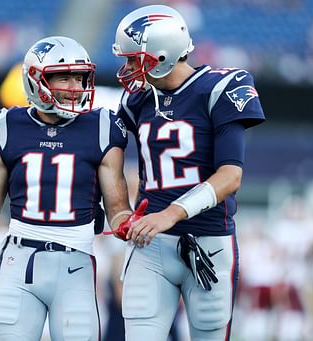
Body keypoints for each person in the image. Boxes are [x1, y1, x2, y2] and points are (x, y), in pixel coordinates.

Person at [0, 36, 133, 341]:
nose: (75, 87)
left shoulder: (102, 127)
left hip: (75, 263)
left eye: (80, 77)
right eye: (64, 77)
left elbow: (118, 208)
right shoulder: (8, 125)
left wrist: (127, 224)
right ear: (36, 80)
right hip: (18, 263)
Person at [107, 5, 266, 341]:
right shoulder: (136, 99)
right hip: (149, 242)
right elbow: (110, 160)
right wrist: (119, 210)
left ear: (161, 55)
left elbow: (230, 176)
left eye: (135, 59)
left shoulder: (222, 87)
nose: (128, 68)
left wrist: (171, 213)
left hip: (209, 243)